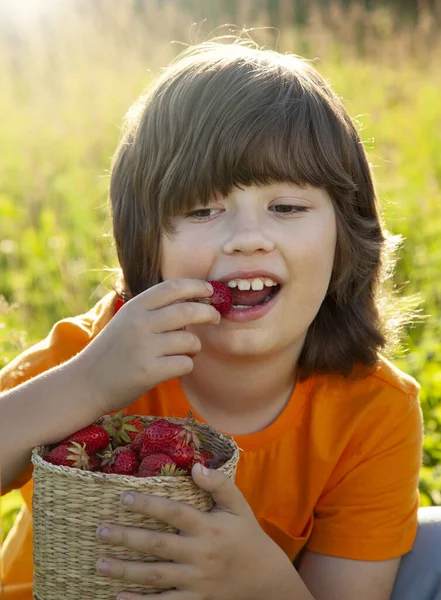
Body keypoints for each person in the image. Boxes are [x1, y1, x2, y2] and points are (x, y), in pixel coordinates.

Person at [0, 37, 437, 600]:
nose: (248, 239)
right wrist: (88, 383)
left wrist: (261, 581)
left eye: (288, 207)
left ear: (345, 234)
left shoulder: (372, 413)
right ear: (146, 244)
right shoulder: (100, 353)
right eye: (203, 210)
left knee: (433, 545)